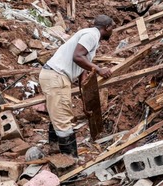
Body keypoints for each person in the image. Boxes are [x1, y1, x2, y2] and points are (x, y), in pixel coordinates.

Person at [38, 15, 114, 158]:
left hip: (55, 76)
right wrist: (99, 69)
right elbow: (77, 57)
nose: (112, 31)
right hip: (56, 76)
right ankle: (70, 164)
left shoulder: (89, 36)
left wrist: (85, 103)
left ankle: (55, 151)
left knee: (58, 114)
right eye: (112, 28)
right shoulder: (91, 35)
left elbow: (82, 73)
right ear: (107, 28)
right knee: (63, 120)